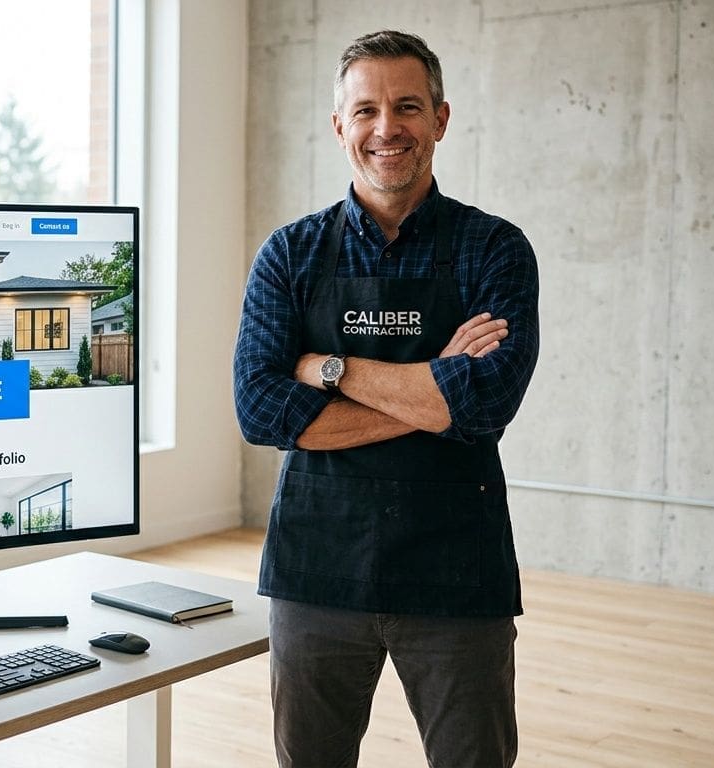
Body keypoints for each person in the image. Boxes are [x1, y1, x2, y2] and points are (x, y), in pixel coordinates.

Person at [232, 30, 540, 768]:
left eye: (407, 106)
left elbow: (481, 405)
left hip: (456, 573)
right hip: (317, 570)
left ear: (440, 117)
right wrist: (431, 390)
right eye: (365, 109)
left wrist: (325, 367)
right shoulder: (290, 254)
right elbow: (260, 410)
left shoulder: (495, 249)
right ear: (340, 126)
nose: (385, 128)